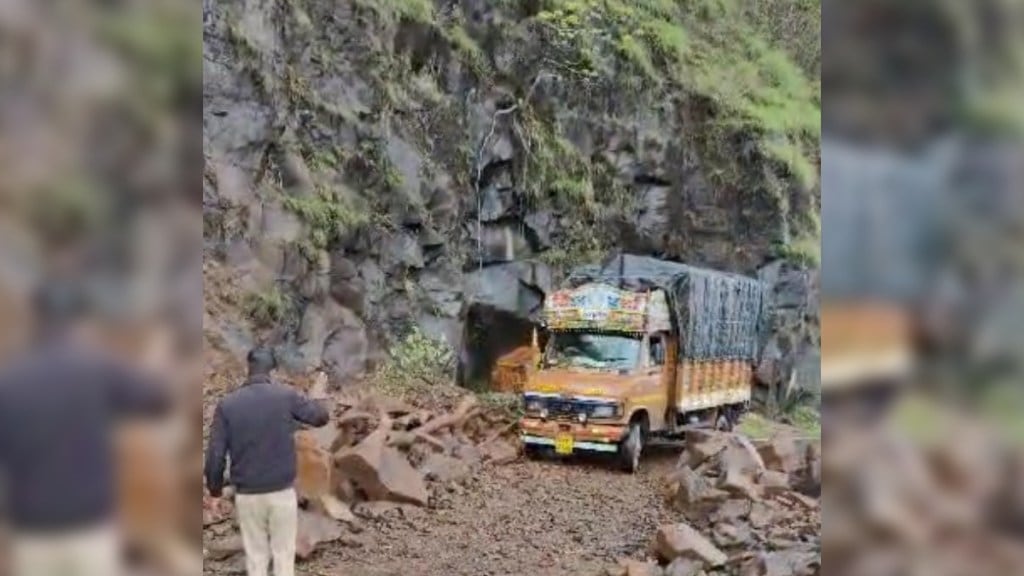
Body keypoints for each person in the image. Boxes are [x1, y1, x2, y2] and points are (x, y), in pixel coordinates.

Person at [0, 282, 170, 576]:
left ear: (37, 320)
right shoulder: (97, 368)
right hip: (90, 526)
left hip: (32, 529)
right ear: (80, 322)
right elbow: (156, 399)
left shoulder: (9, 380)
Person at [204, 347, 329, 576]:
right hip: (282, 492)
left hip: (248, 495)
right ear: (272, 370)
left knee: (256, 557)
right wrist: (319, 395)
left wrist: (214, 491)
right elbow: (320, 417)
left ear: (248, 368)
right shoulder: (285, 396)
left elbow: (215, 454)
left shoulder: (228, 405)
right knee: (283, 555)